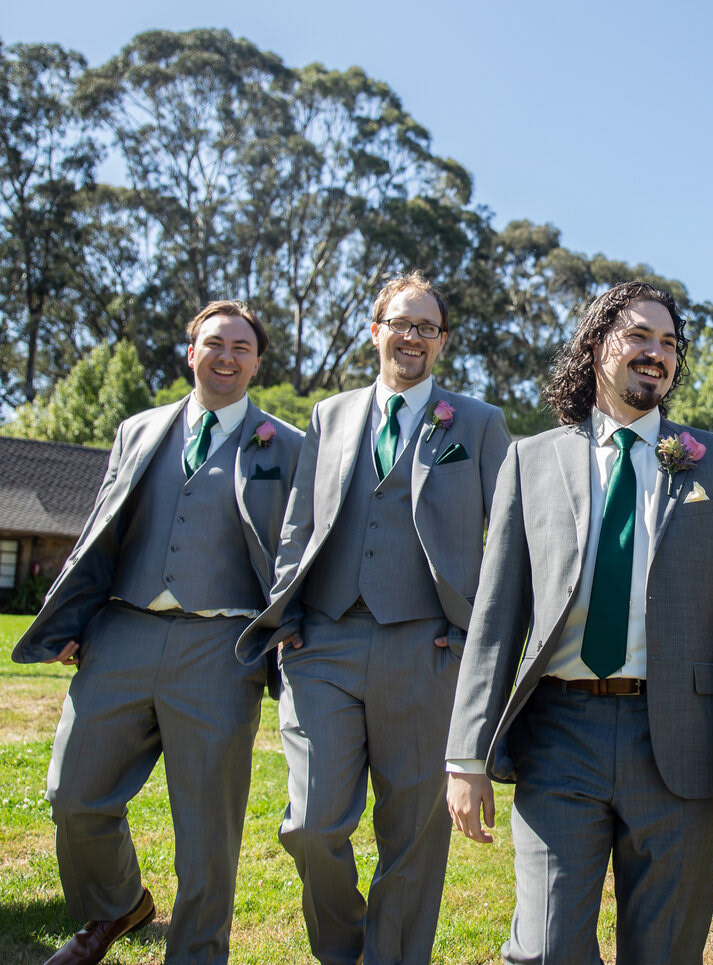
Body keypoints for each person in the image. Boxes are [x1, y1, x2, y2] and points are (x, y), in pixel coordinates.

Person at [446, 279, 713, 965]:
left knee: (665, 951)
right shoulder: (531, 461)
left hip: (680, 739)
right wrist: (466, 754)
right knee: (546, 949)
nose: (656, 352)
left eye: (669, 342)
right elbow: (496, 616)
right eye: (639, 335)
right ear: (597, 345)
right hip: (558, 736)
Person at [13, 301, 302, 965]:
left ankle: (196, 953)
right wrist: (76, 617)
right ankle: (117, 905)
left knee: (207, 829)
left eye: (241, 347)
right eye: (214, 343)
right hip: (123, 630)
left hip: (221, 647)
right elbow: (101, 532)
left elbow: (299, 550)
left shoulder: (287, 446)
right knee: (73, 794)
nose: (226, 356)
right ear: (190, 351)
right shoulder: (138, 430)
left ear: (257, 363)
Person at [236, 271, 509, 965]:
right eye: (401, 323)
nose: (412, 337)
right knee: (310, 826)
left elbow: (511, 539)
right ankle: (344, 949)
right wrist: (288, 619)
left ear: (442, 342)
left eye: (427, 328)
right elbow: (298, 526)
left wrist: (470, 633)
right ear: (375, 330)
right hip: (321, 643)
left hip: (427, 647)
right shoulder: (330, 415)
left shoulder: (477, 424)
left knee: (412, 836)